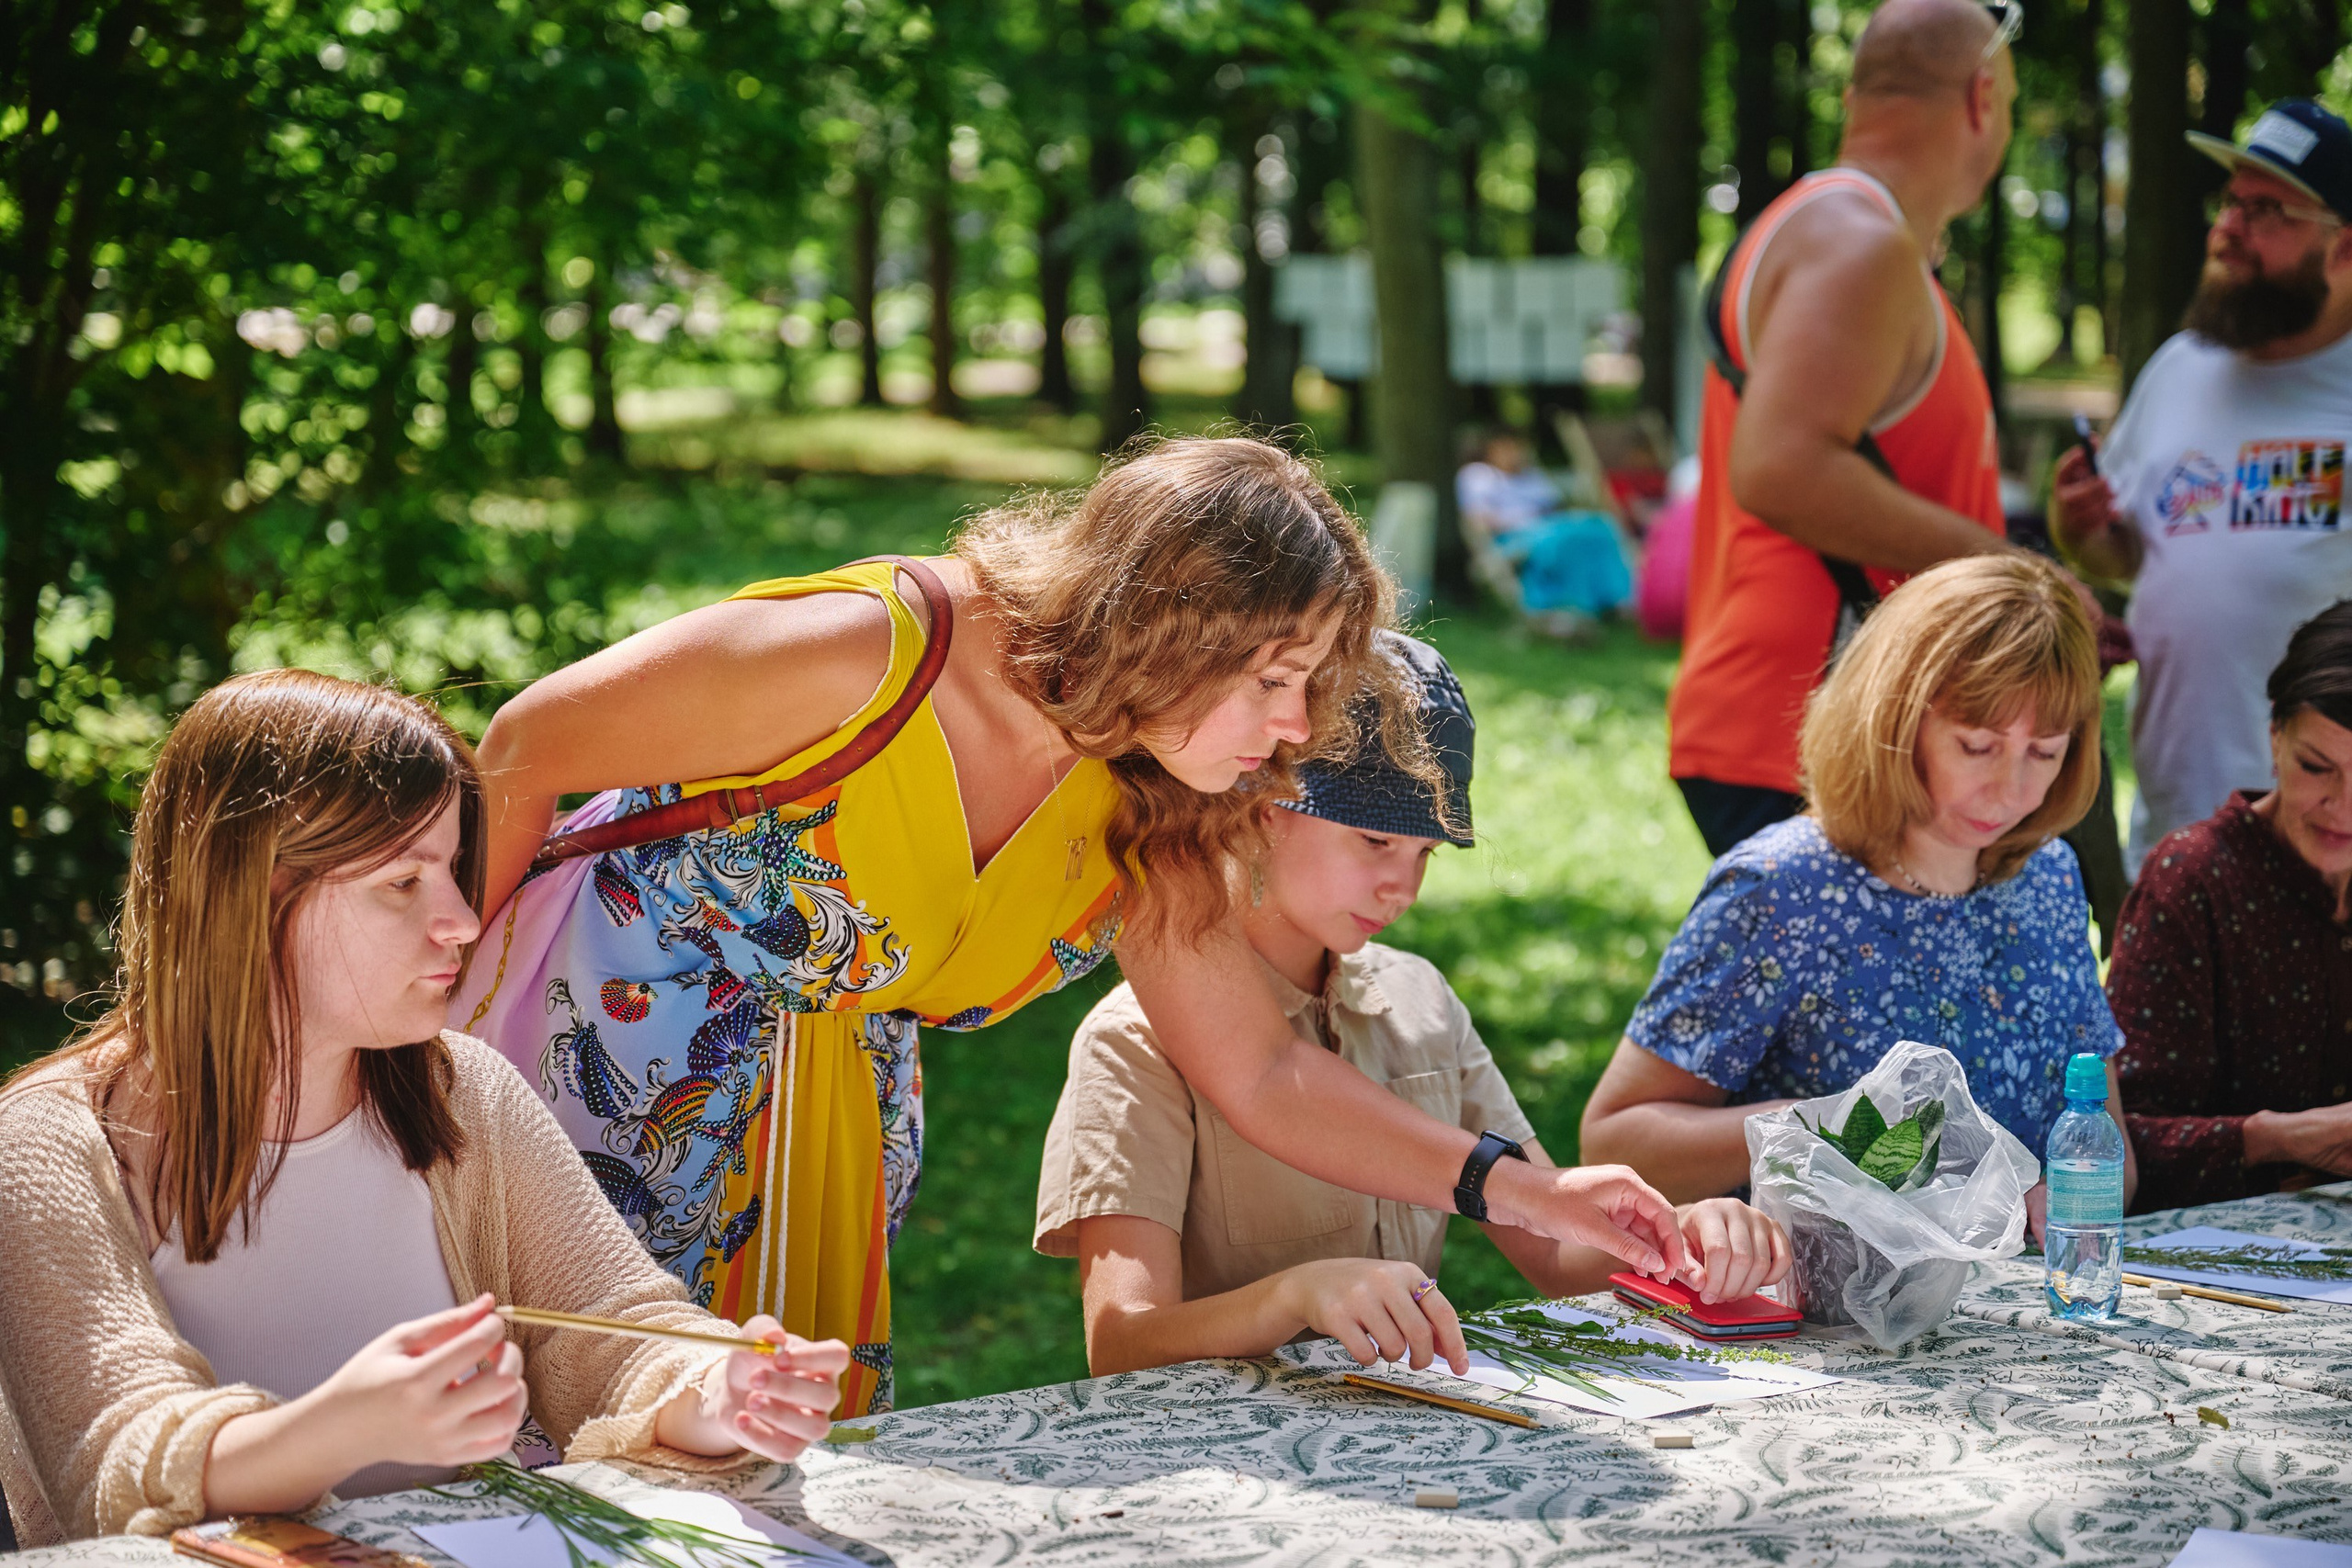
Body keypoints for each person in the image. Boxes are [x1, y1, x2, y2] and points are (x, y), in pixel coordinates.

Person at [454, 436, 1690, 1417]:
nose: (1294, 727)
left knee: (740, 1457)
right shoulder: (878, 652)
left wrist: (1526, 1188)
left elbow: (1260, 1069)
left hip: (818, 1125)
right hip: (579, 1062)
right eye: (1275, 677)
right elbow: (524, 746)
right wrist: (430, 1021)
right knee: (529, 1427)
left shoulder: (1158, 784)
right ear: (1170, 619)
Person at [0, 672, 848, 1549]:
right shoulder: (51, 1145)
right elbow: (118, 1462)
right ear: (249, 896)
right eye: (402, 883)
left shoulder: (462, 1092)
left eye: (451, 871)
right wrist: (346, 1428)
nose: (461, 922)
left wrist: (718, 1388)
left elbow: (618, 1332)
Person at [1035, 636, 1789, 1376]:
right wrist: (1291, 1296)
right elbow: (1121, 1345)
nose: (1405, 886)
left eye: (1424, 853)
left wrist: (1681, 1239)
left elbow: (1556, 1254)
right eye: (1374, 841)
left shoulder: (1420, 998)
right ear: (1263, 807)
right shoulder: (1134, 1042)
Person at [1582, 555, 2136, 1228]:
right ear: (1898, 721)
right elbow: (1614, 1142)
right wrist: (1821, 1124)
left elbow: (2108, 1147)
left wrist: (2063, 1202)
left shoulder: (2046, 875)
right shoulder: (1784, 887)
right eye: (1976, 746)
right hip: (1814, 1312)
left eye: (2045, 753)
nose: (2011, 789)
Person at [1668, 0, 2022, 858]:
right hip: (1822, 729)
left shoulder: (1842, 229)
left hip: (1815, 723)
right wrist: (2011, 581)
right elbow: (1784, 467)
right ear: (1981, 98)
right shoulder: (1857, 241)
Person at [2052, 99, 2352, 876]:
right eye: (2230, 203)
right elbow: (2131, 556)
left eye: (2266, 211)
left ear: (2345, 247)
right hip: (2173, 845)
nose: (2228, 229)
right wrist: (2086, 533)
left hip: (2330, 857)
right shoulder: (2181, 369)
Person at [2113, 603, 2352, 1212]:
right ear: (2275, 736)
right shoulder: (2193, 881)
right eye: (2317, 768)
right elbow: (2116, 1143)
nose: (2344, 808)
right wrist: (2275, 1139)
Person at [1454, 430, 1634, 621]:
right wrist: (1524, 521)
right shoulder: (1479, 475)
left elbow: (1555, 507)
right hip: (1512, 536)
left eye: (1517, 448)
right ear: (1490, 451)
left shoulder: (1532, 476)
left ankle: (1611, 600)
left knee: (1600, 527)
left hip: (1550, 527)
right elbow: (1478, 520)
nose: (1513, 453)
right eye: (1506, 448)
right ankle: (1561, 604)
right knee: (1563, 539)